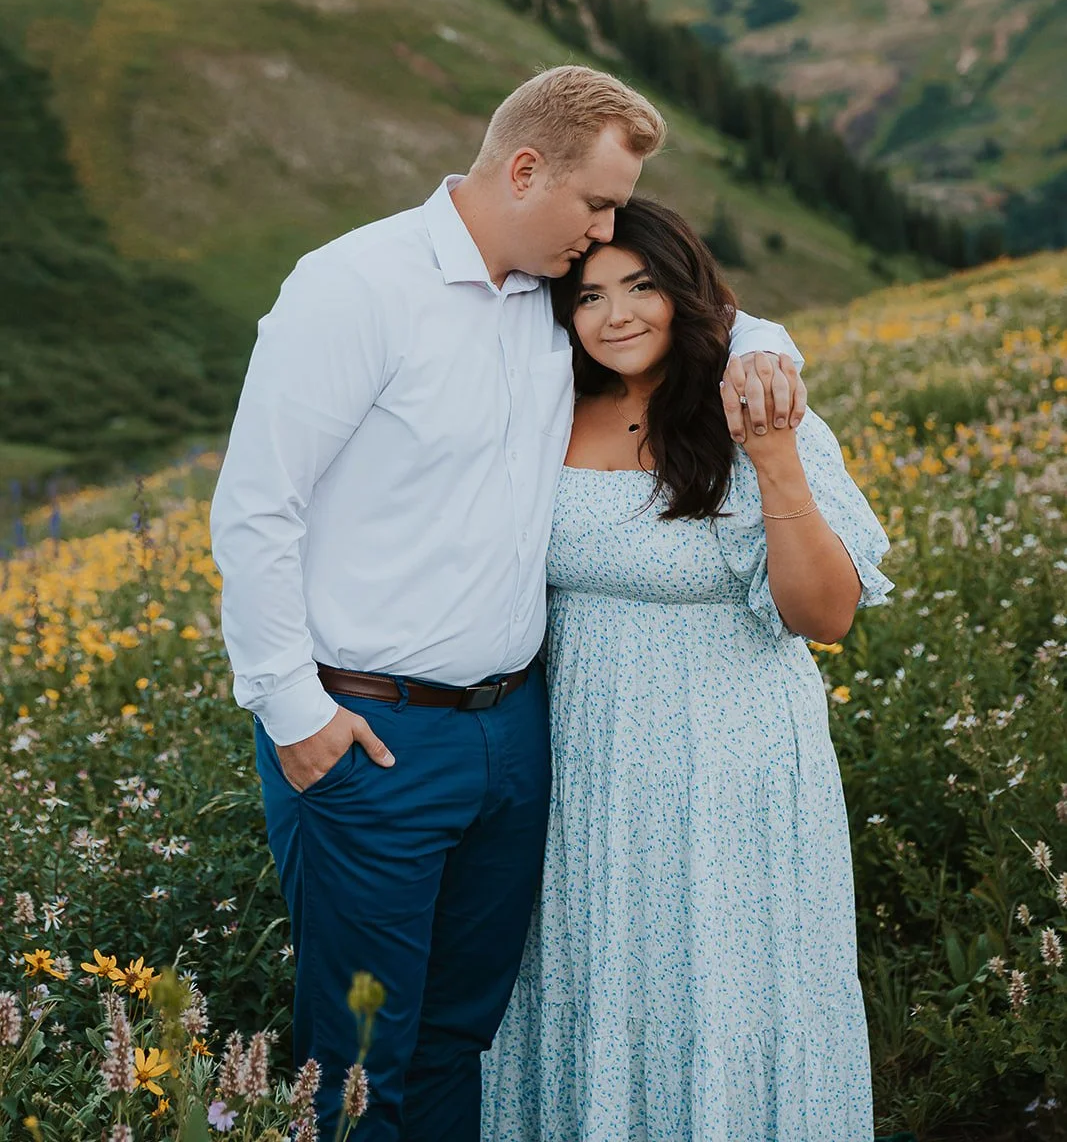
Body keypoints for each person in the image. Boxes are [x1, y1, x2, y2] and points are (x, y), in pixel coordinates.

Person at [210, 66, 807, 1142]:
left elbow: (693, 306)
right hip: (367, 732)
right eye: (594, 204)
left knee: (457, 1038)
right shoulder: (354, 284)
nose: (604, 230)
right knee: (356, 1060)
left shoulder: (547, 293)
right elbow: (256, 507)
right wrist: (290, 712)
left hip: (515, 736)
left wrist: (765, 343)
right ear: (523, 169)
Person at [481, 198, 893, 1142]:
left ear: (684, 291)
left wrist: (775, 460)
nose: (617, 314)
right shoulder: (549, 412)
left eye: (641, 286)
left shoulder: (755, 405)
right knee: (588, 988)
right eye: (589, 296)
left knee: (729, 993)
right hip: (581, 769)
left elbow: (824, 616)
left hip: (731, 770)